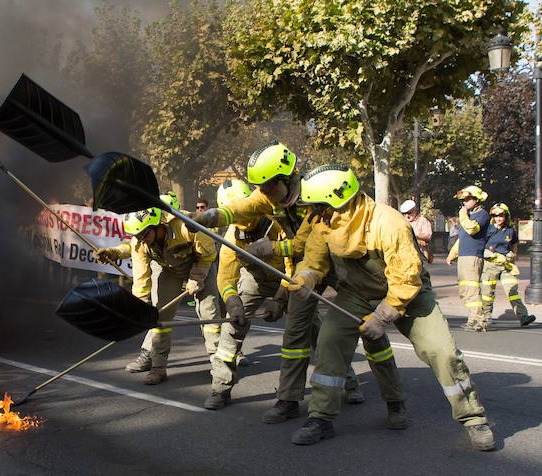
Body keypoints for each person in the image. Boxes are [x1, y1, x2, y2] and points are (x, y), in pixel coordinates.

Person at [190, 141, 406, 427]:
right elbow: (239, 209)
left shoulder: (316, 194)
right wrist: (209, 217)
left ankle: (394, 402)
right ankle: (289, 400)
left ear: (287, 178)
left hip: (345, 267)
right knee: (294, 337)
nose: (263, 193)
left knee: (369, 330)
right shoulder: (267, 199)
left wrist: (277, 286)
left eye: (267, 186)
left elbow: (303, 246)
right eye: (260, 188)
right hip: (309, 269)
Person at [286, 164, 493, 451]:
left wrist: (383, 316)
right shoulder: (324, 224)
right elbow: (314, 261)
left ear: (337, 200)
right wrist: (307, 277)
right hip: (356, 293)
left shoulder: (388, 222)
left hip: (409, 294)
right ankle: (320, 417)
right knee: (329, 342)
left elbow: (407, 277)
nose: (313, 213)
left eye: (319, 206)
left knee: (441, 351)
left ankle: (473, 418)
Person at [94, 206, 221, 386]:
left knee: (209, 315)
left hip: (200, 265)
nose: (141, 240)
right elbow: (141, 278)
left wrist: (197, 277)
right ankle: (158, 367)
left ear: (157, 226)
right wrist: (140, 307)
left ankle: (219, 366)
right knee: (161, 317)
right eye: (137, 236)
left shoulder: (186, 225)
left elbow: (208, 253)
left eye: (144, 235)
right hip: (169, 270)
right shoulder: (140, 243)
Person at [207, 179, 284, 409]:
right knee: (230, 331)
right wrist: (233, 303)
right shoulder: (230, 238)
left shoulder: (278, 223)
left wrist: (280, 298)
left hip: (288, 277)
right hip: (255, 280)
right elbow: (226, 277)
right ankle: (220, 389)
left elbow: (297, 264)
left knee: (314, 331)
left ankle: (348, 382)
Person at [481, 203, 536, 327]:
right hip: (491, 265)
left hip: (506, 265)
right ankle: (486, 317)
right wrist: (490, 255)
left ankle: (523, 317)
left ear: (506, 216)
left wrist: (513, 258)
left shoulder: (510, 230)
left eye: (501, 215)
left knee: (512, 290)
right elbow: (481, 246)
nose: (498, 218)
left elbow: (514, 244)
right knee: (488, 292)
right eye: (495, 216)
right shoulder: (488, 229)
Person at [446, 186, 491, 331]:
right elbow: (462, 238)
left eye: (467, 199)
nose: (464, 203)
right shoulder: (468, 216)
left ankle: (480, 321)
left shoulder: (482, 215)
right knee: (464, 290)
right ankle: (472, 319)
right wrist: (452, 254)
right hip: (464, 256)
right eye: (463, 200)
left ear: (477, 200)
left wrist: (462, 216)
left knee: (472, 290)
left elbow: (472, 230)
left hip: (473, 256)